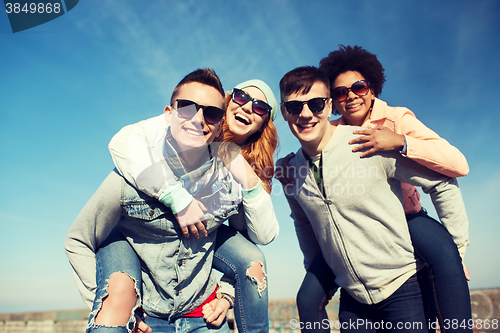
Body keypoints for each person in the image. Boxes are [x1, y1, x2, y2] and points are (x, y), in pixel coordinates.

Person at [64, 69, 279, 333]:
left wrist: (225, 295)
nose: (198, 119)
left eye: (259, 107)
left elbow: (249, 238)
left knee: (253, 258)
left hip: (202, 305)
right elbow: (122, 143)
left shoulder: (235, 175)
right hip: (147, 301)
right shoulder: (146, 157)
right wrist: (177, 198)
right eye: (242, 97)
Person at [277, 46, 471, 333]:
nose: (305, 113)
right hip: (354, 296)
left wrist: (402, 142)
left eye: (316, 104)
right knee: (307, 298)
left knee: (444, 254)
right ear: (284, 112)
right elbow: (305, 221)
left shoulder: (382, 133)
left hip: (403, 260)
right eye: (294, 107)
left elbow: (447, 176)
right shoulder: (296, 167)